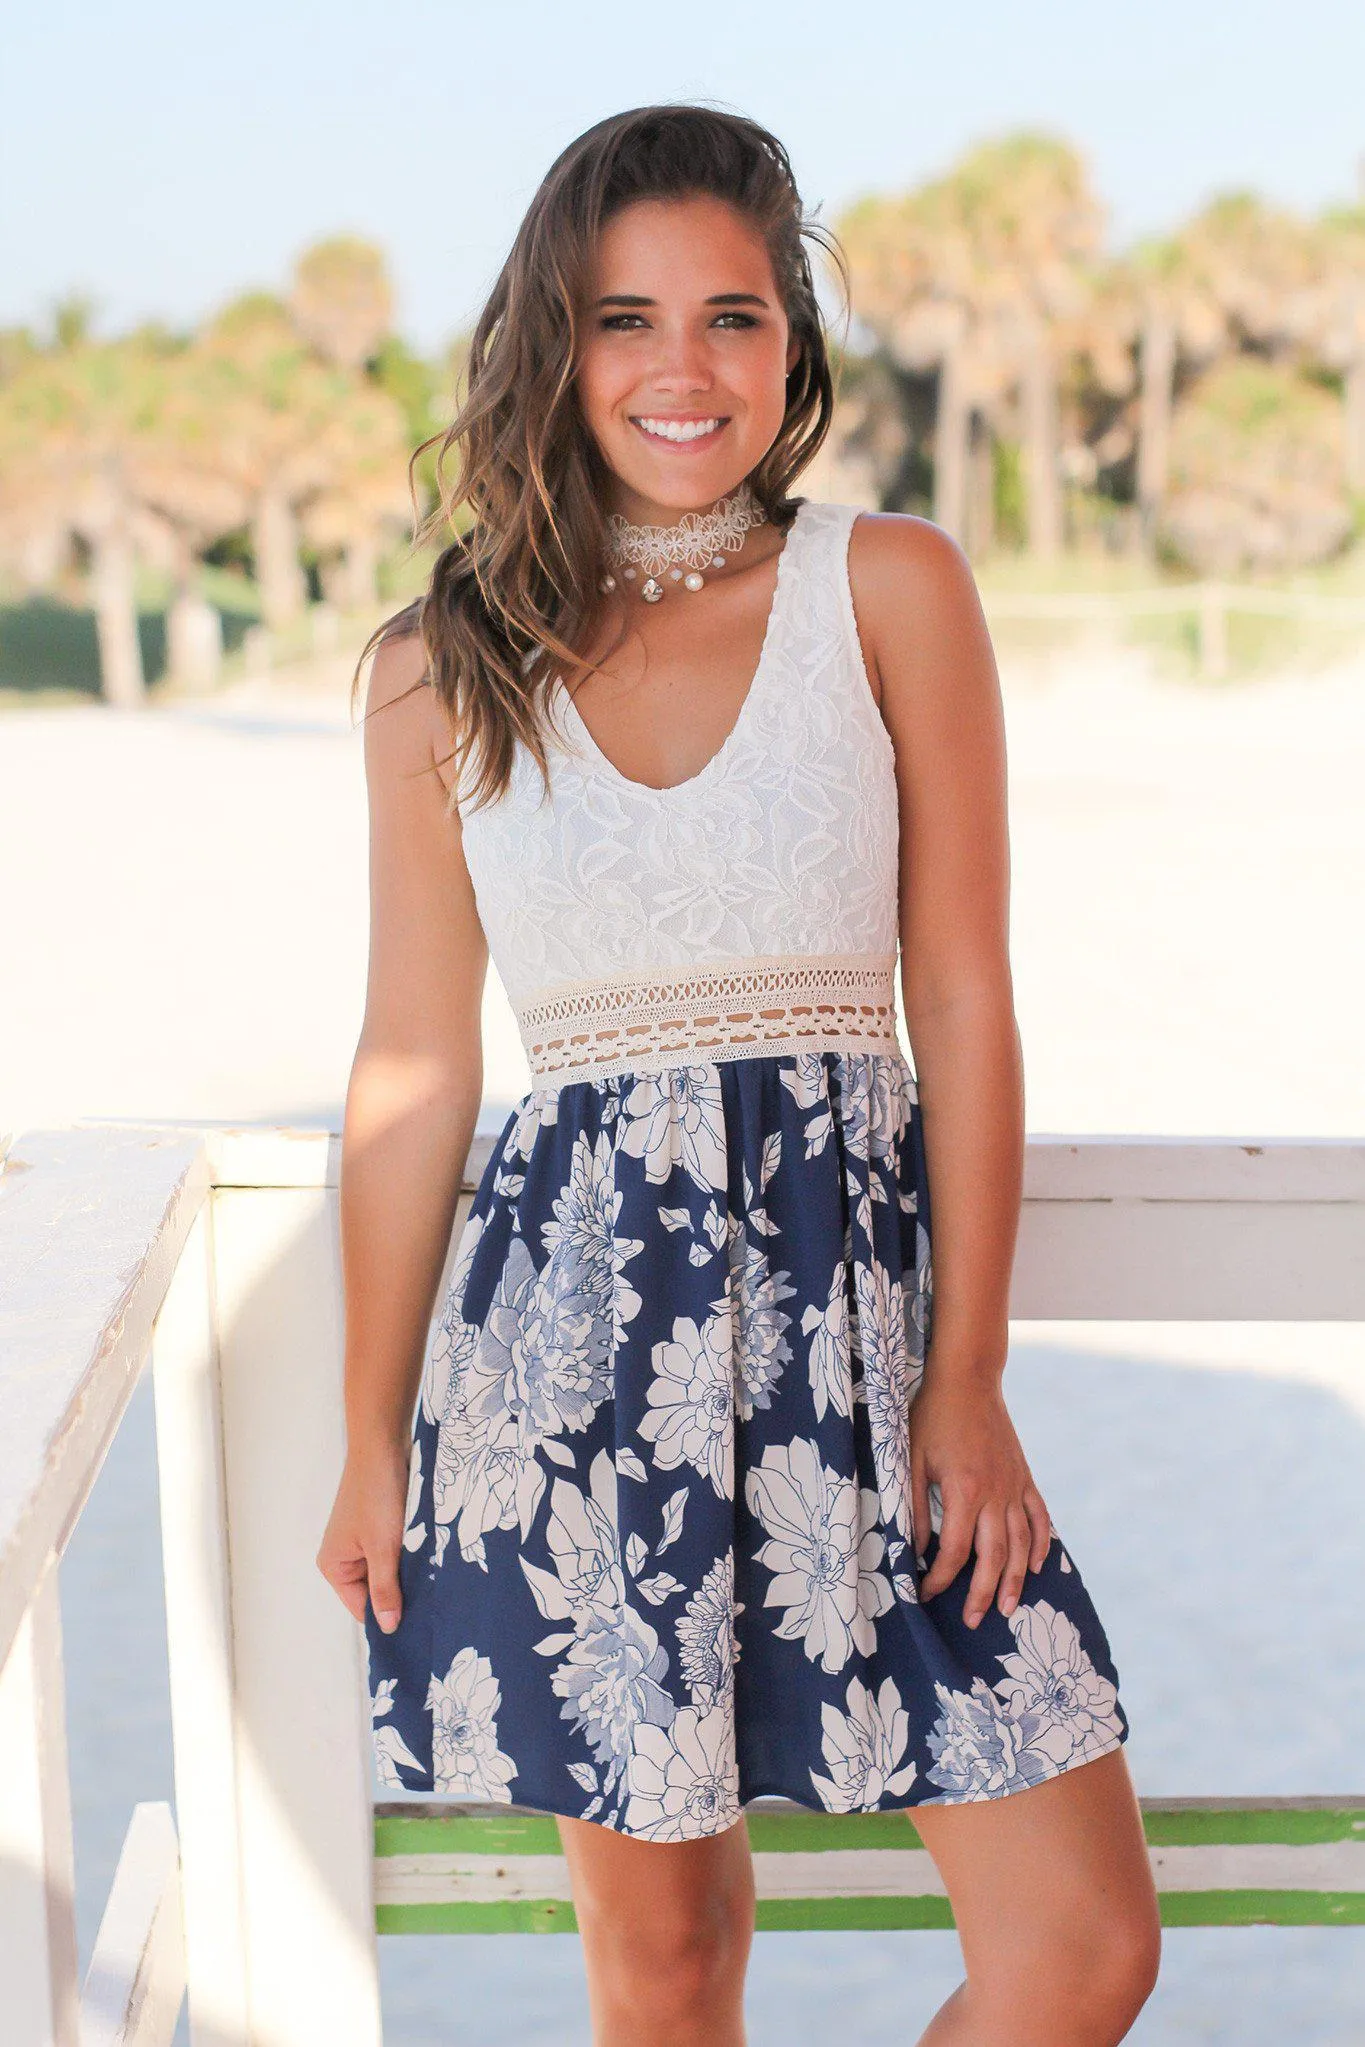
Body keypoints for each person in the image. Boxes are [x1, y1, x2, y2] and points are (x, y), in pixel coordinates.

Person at [317, 103, 1161, 2047]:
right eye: (626, 319)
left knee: (1077, 1944)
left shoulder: (892, 587)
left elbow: (958, 994)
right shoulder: (444, 663)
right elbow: (415, 1066)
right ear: (556, 339)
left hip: (869, 1343)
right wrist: (373, 1431)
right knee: (668, 1969)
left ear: (792, 345)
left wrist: (969, 1376)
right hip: (570, 1365)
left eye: (732, 316)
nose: (681, 368)